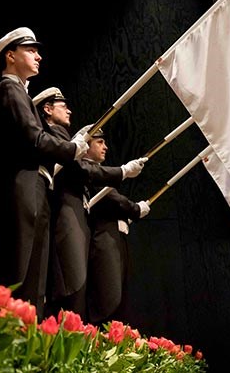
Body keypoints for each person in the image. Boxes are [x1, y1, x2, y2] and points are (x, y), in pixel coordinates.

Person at [0, 27, 89, 318]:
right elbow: (34, 139)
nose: (39, 56)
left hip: (35, 186)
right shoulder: (9, 88)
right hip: (23, 186)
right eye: (31, 50)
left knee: (35, 278)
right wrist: (73, 149)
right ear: (10, 55)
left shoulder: (19, 91)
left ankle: (30, 343)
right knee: (22, 272)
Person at [31, 88, 147, 319]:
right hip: (66, 220)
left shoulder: (62, 137)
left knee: (79, 290)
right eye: (63, 106)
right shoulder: (55, 136)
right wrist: (123, 172)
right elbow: (82, 168)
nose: (69, 110)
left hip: (77, 221)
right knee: (72, 288)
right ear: (47, 109)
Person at [83, 125, 151, 327]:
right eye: (99, 142)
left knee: (118, 295)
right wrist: (134, 209)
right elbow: (111, 198)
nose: (105, 147)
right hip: (102, 239)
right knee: (108, 297)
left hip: (112, 237)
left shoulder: (98, 171)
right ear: (85, 147)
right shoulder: (89, 170)